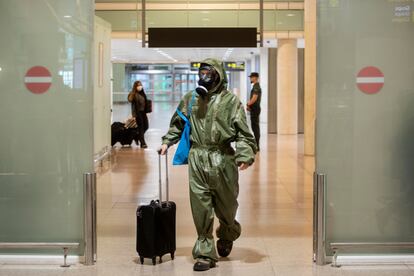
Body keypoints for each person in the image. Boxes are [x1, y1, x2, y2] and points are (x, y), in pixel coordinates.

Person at [159, 59, 257, 272]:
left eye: (208, 72)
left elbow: (244, 134)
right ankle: (205, 251)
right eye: (201, 72)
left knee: (227, 207)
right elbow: (178, 123)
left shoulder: (231, 101)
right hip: (198, 157)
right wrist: (167, 141)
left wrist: (244, 155)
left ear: (218, 75)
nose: (204, 76)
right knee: (201, 206)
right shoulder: (191, 99)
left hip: (223, 159)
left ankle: (228, 231)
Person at [128, 80, 149, 148]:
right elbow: (130, 100)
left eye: (140, 85)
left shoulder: (142, 93)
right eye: (138, 85)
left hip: (143, 113)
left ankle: (137, 136)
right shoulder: (134, 94)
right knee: (141, 128)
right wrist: (134, 115)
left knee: (146, 126)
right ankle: (142, 143)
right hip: (138, 113)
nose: (140, 86)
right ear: (135, 86)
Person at [246, 72, 261, 151]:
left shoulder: (256, 87)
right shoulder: (255, 86)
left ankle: (257, 145)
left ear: (255, 78)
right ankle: (256, 144)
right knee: (254, 127)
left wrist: (248, 104)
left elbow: (254, 98)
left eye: (251, 77)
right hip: (254, 108)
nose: (250, 78)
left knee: (255, 127)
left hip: (255, 109)